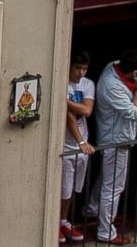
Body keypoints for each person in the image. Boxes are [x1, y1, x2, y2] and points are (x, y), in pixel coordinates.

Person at [94, 52, 137, 245]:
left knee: (107, 178)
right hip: (116, 141)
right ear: (132, 71)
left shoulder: (114, 64)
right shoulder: (112, 85)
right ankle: (106, 232)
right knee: (113, 187)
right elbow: (133, 112)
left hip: (113, 138)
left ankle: (91, 208)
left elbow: (136, 82)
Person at [59, 52, 97, 245]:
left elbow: (87, 110)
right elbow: (70, 117)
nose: (81, 73)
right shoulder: (62, 82)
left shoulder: (88, 84)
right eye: (77, 68)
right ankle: (58, 221)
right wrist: (81, 142)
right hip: (69, 144)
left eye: (84, 69)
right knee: (64, 189)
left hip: (83, 147)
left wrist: (64, 101)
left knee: (74, 188)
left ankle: (63, 220)